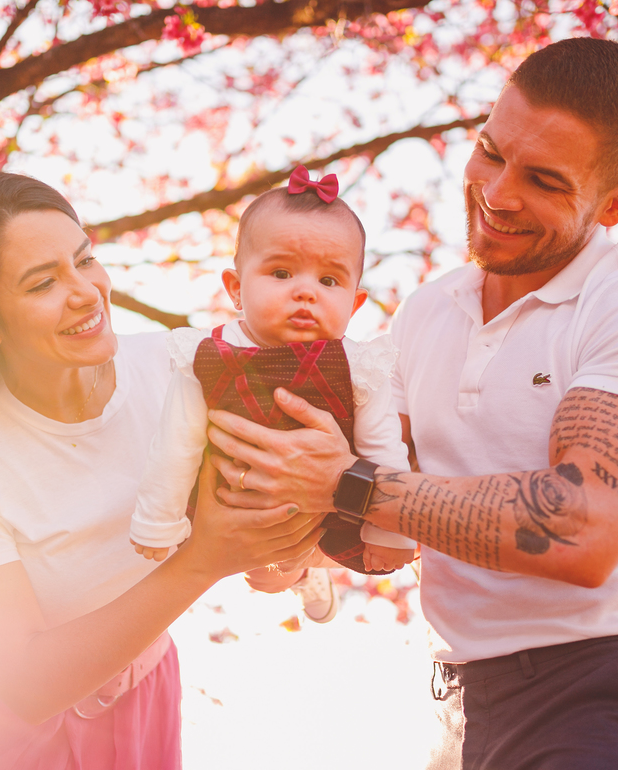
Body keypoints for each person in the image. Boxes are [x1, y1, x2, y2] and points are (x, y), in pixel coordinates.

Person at [202, 38, 618, 769]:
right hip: (461, 703)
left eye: (544, 180)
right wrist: (297, 546)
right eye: (490, 152)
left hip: (594, 695)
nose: (498, 194)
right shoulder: (428, 312)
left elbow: (583, 530)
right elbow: (388, 510)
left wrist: (342, 484)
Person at [0, 171, 320, 769]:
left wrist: (297, 555)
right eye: (42, 283)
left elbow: (277, 490)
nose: (84, 292)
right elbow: (26, 685)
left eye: (85, 261)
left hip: (143, 703)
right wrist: (205, 560)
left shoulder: (182, 369)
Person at [127, 168, 418, 621]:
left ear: (354, 304)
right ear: (236, 289)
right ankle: (297, 575)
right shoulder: (203, 356)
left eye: (329, 281)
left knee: (307, 555)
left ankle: (307, 567)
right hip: (235, 504)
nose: (305, 292)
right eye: (281, 273)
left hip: (331, 509)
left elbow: (384, 447)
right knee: (260, 579)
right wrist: (157, 518)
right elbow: (174, 445)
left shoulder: (360, 366)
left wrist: (393, 531)